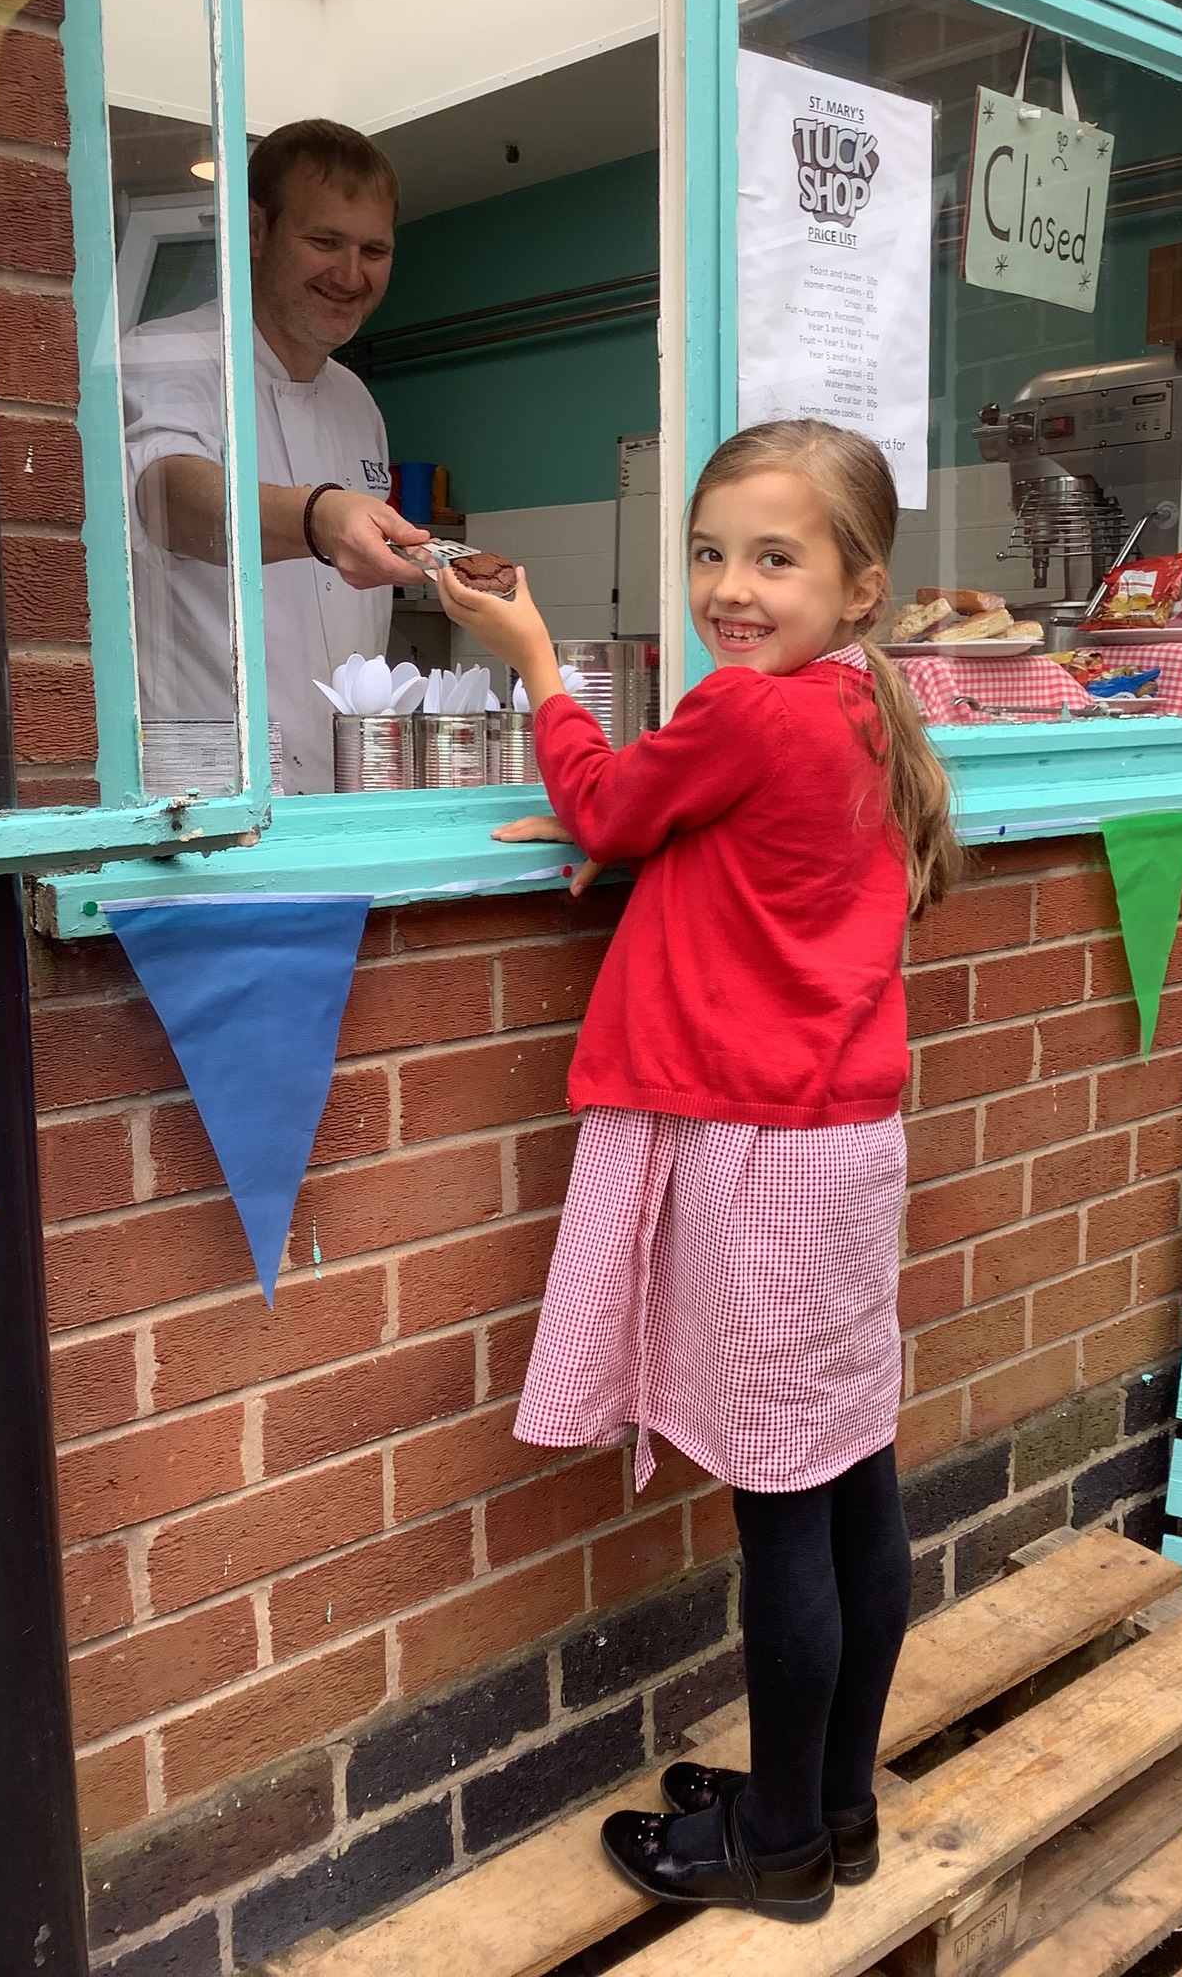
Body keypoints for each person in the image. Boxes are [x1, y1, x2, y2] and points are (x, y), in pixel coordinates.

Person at [436, 419, 960, 1924]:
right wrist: (667, 855)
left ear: (860, 587)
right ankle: (836, 1807)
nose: (732, 587)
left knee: (782, 1519)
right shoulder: (860, 714)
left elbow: (608, 801)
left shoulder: (748, 712)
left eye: (773, 558)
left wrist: (537, 659)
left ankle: (779, 1851)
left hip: (757, 1150)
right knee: (855, 1487)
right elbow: (715, 846)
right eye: (712, 552)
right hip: (845, 1150)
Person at [123, 119, 431, 795]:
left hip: (340, 795)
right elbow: (169, 496)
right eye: (325, 241)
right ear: (256, 232)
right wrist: (321, 518)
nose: (351, 275)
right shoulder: (169, 353)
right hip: (203, 804)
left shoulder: (356, 401)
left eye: (374, 249)